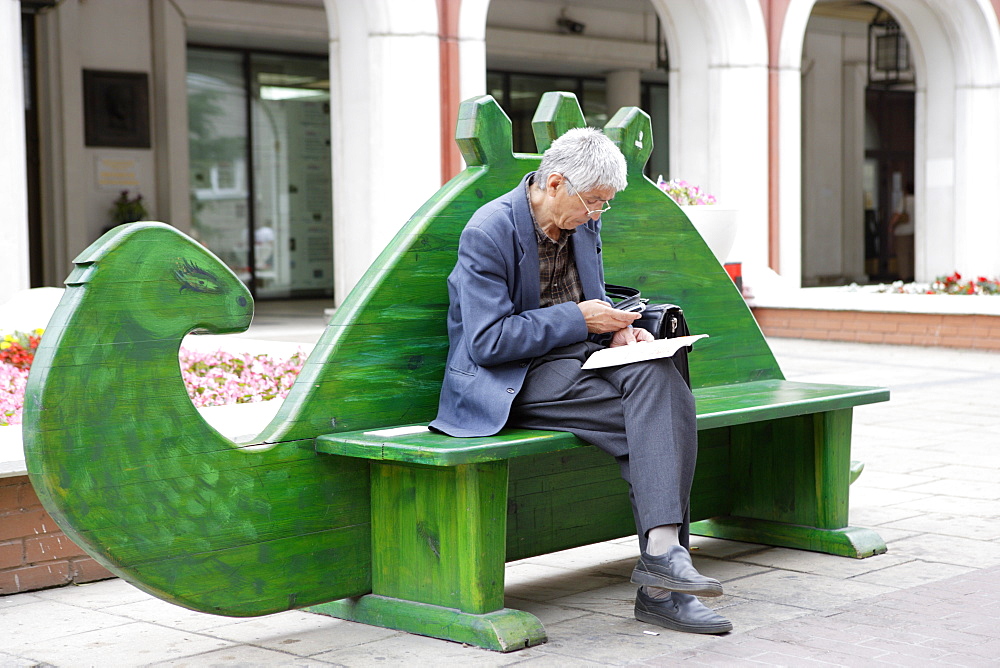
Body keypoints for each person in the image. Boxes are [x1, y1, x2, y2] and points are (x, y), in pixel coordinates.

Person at [430, 128, 732, 635]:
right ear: (554, 183)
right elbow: (487, 343)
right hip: (508, 383)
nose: (596, 214)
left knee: (660, 377)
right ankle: (664, 587)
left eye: (603, 206)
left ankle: (663, 561)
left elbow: (593, 308)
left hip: (575, 368)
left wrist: (619, 333)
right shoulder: (488, 232)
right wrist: (580, 320)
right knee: (661, 422)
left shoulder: (582, 225)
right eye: (592, 202)